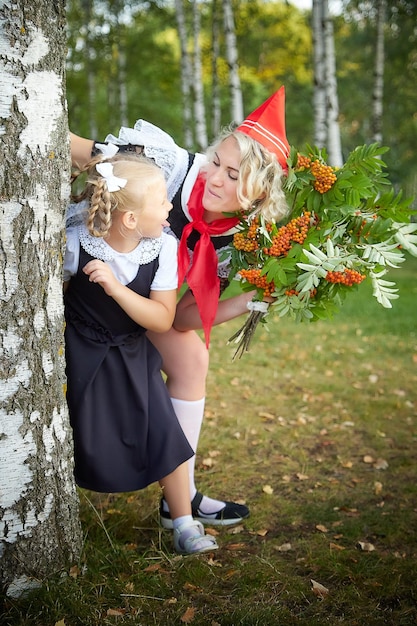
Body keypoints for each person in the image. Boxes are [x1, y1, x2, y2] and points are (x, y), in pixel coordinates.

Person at [69, 86, 290, 529]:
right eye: (217, 163)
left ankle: (179, 498)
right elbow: (70, 146)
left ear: (259, 195)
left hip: (135, 299)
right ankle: (183, 495)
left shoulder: (237, 241)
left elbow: (183, 317)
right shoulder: (165, 166)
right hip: (79, 277)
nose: (216, 178)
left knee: (191, 356)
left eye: (234, 176)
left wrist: (249, 300)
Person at [64, 154, 218, 555]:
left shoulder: (162, 248)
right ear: (130, 219)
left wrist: (116, 288)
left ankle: (183, 521)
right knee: (74, 429)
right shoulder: (72, 241)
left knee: (164, 430)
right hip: (82, 352)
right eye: (163, 200)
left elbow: (162, 319)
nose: (172, 206)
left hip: (134, 351)